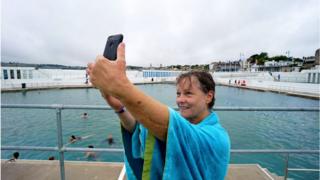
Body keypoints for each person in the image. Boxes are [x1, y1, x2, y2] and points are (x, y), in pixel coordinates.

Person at [87, 43, 230, 179]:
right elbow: (141, 129)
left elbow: (172, 127)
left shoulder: (217, 138)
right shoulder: (185, 128)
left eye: (188, 93)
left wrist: (121, 86)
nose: (180, 100)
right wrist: (120, 108)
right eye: (178, 94)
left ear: (208, 96)